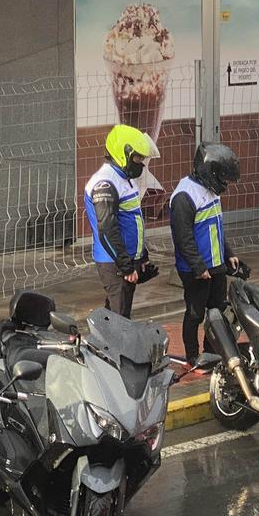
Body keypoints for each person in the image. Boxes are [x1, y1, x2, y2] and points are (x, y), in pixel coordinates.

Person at [170, 143, 241, 362]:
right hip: (196, 269)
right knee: (195, 314)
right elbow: (183, 238)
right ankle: (192, 356)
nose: (225, 185)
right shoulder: (184, 196)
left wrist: (228, 253)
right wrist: (198, 266)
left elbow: (217, 227)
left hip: (216, 264)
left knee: (217, 313)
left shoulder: (211, 191)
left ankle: (211, 353)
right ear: (209, 172)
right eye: (223, 178)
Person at [83, 124, 159, 317]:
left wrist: (140, 257)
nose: (141, 163)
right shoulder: (105, 183)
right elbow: (107, 229)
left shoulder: (122, 178)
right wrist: (125, 265)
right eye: (137, 157)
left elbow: (132, 221)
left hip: (124, 260)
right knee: (120, 323)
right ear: (122, 153)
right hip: (114, 262)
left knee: (114, 317)